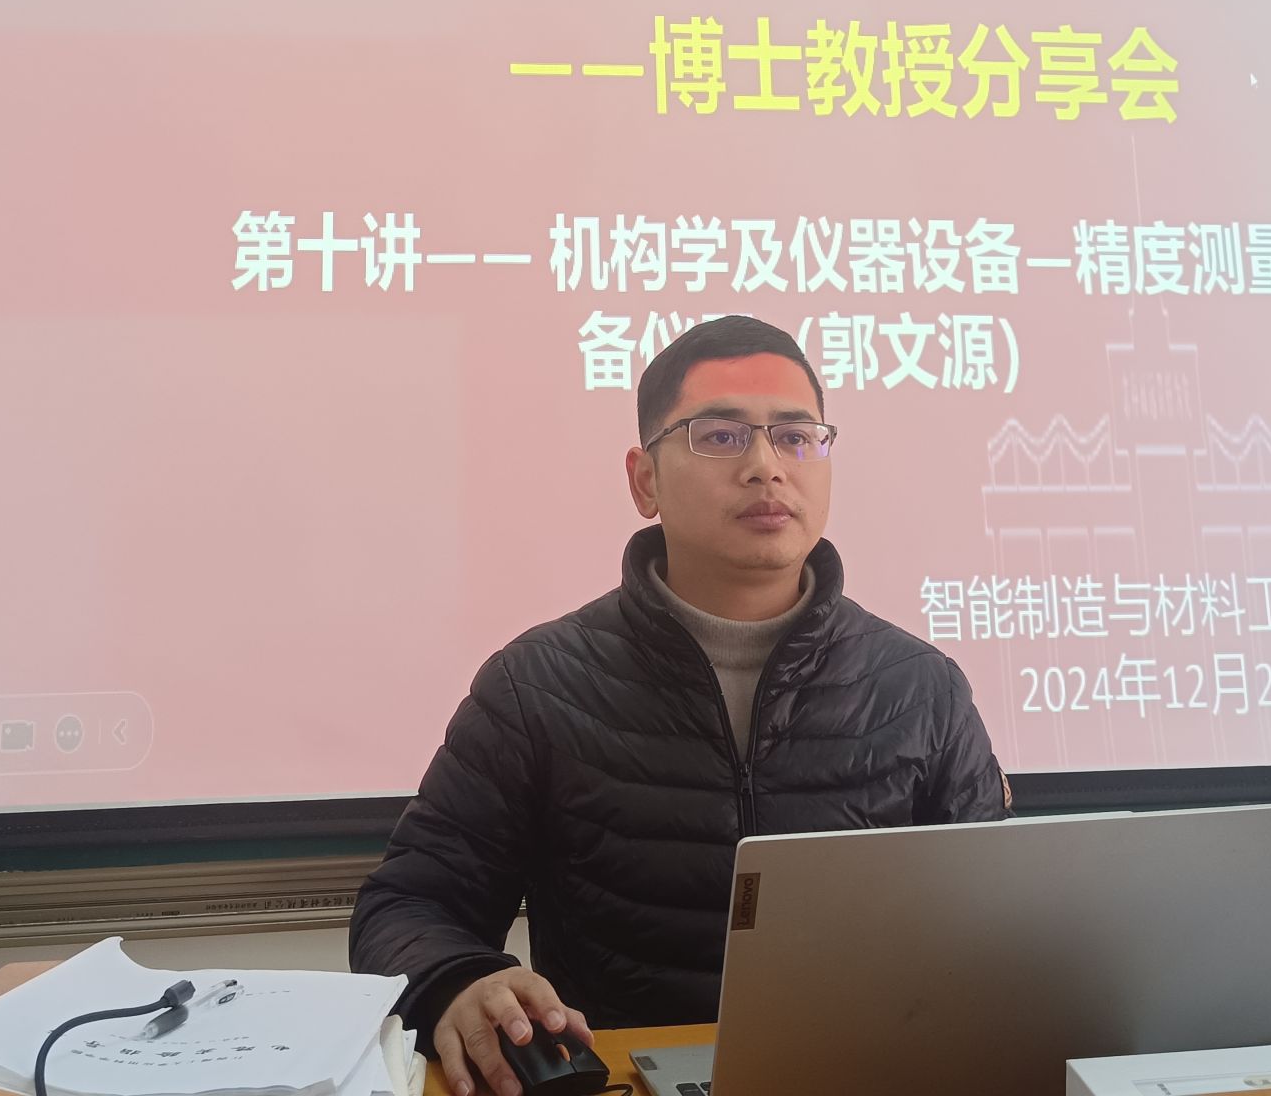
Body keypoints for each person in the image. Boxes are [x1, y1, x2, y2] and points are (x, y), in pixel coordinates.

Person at [348, 317, 1007, 1096]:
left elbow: (998, 928)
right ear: (645, 481)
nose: (766, 466)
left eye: (796, 437)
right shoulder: (537, 686)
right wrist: (459, 982)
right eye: (721, 436)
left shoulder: (922, 689)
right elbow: (409, 903)